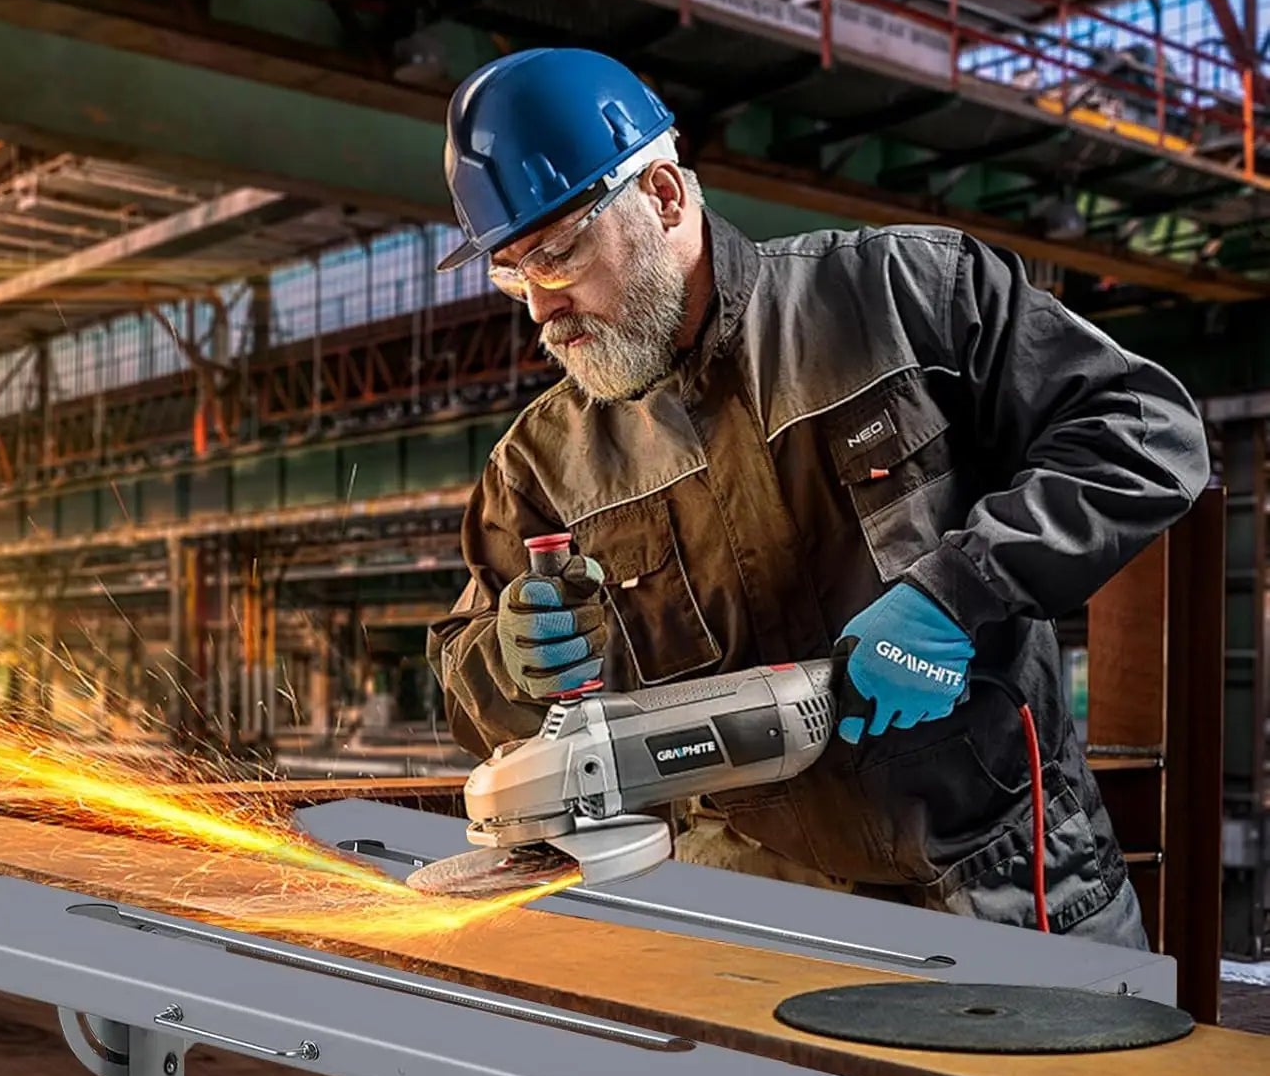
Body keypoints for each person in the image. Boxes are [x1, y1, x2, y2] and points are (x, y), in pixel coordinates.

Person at [425, 47, 1210, 947]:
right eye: (511, 273)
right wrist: (509, 665)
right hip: (751, 917)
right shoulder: (541, 465)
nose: (538, 308)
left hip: (1002, 886)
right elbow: (462, 671)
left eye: (558, 255)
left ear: (664, 197)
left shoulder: (902, 297)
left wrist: (958, 595)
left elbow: (1145, 428)